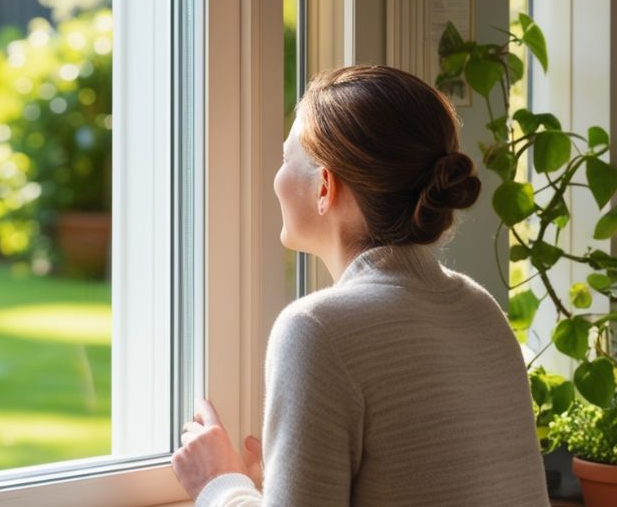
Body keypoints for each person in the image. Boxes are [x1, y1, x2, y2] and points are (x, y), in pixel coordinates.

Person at [172, 66, 549, 506]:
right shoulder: (480, 310)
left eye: (284, 159)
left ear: (325, 187)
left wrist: (217, 481)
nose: (275, 178)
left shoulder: (317, 329)